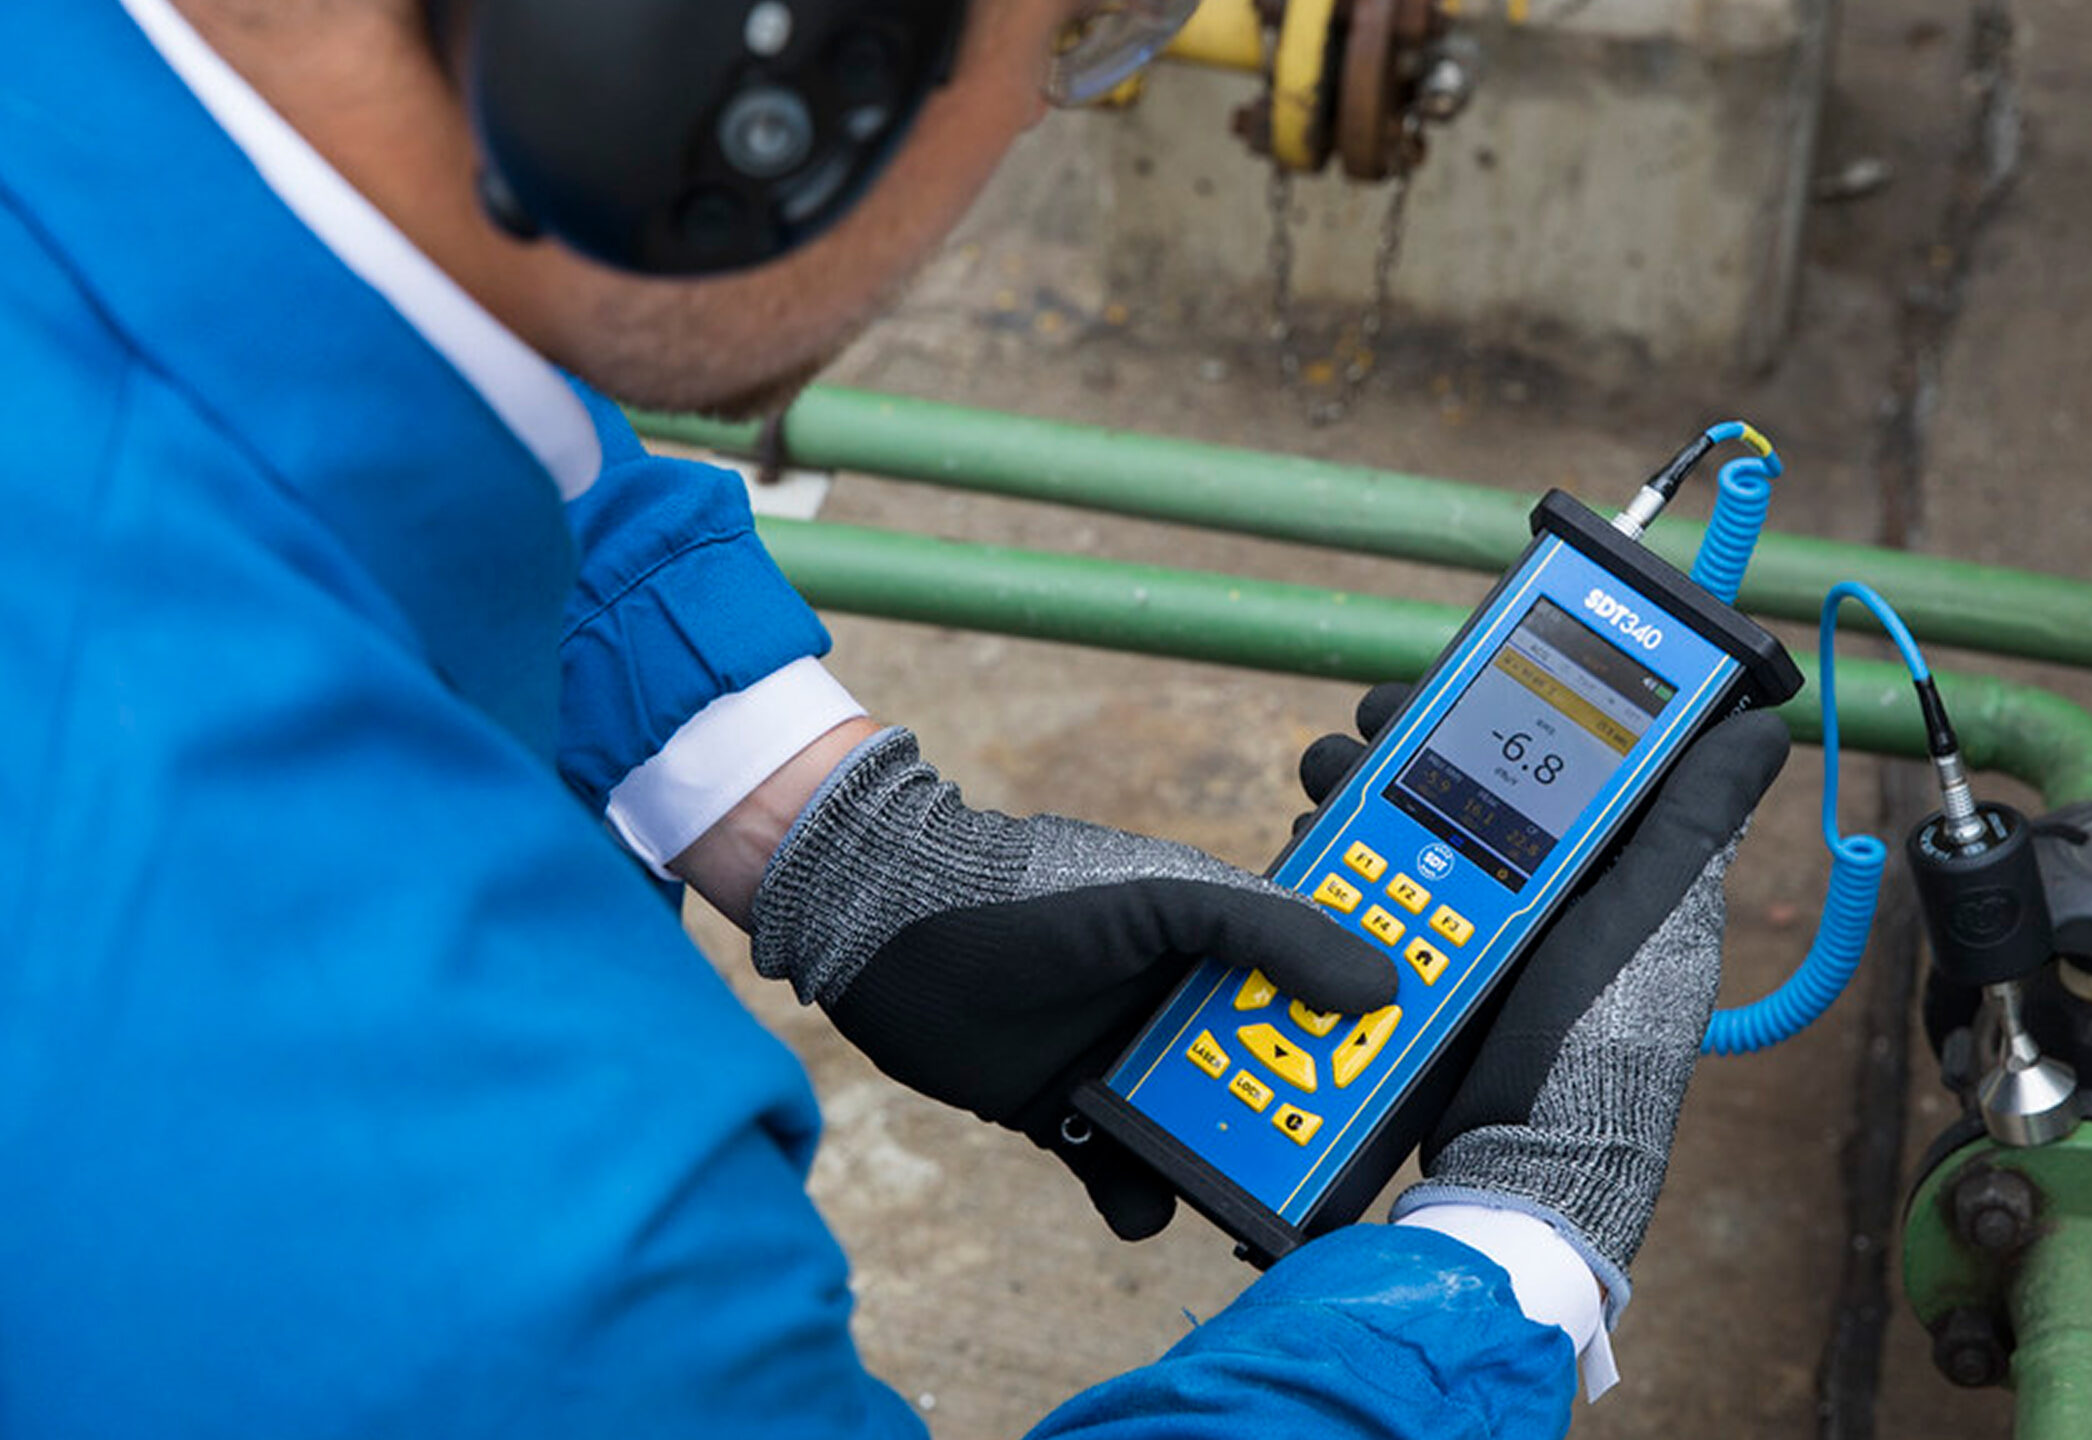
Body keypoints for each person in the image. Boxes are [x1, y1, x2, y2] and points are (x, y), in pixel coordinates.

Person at [0, 0, 1793, 1434]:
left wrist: (825, 829)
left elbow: (395, 398)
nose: (1044, 109)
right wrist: (1510, 1256)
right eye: (1084, 34)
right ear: (766, 63)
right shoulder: (486, 1217)